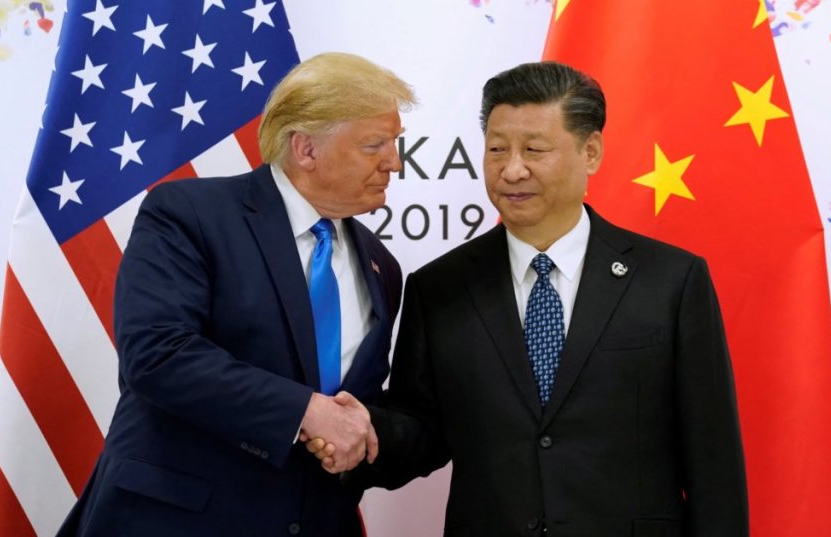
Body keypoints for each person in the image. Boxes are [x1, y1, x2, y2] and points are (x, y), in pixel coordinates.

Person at [314, 61, 749, 536]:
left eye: (534, 149)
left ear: (591, 152)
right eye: (497, 149)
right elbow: (423, 431)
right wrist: (363, 434)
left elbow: (713, 460)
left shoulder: (671, 280)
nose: (512, 169)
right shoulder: (439, 288)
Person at [58, 52, 414, 536]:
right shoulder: (190, 213)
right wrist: (306, 412)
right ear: (306, 149)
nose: (394, 162)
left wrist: (356, 433)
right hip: (175, 522)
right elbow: (157, 353)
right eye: (375, 145)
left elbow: (353, 404)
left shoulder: (381, 267)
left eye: (394, 144)